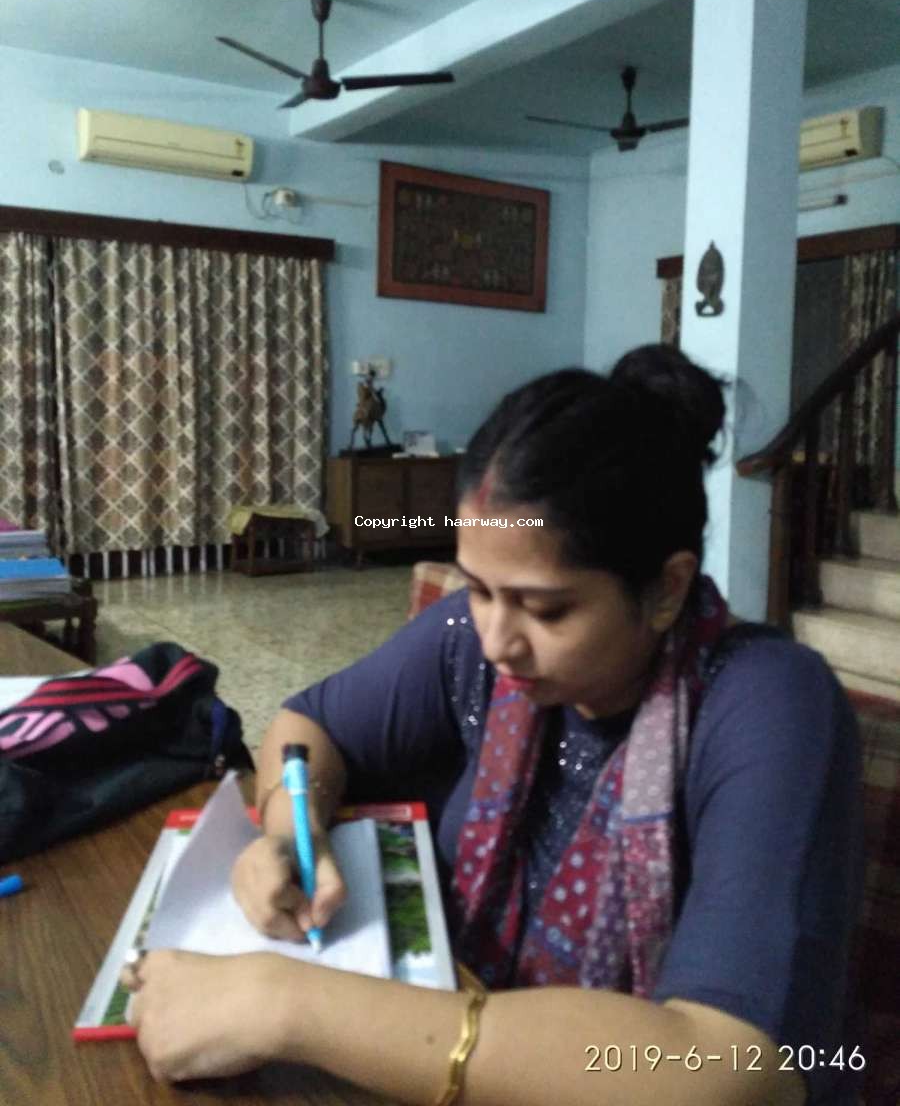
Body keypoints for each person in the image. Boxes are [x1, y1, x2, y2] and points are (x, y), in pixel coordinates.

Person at [123, 345, 863, 1106]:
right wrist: (290, 828)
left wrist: (287, 1004)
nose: (499, 640)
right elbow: (308, 725)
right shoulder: (468, 644)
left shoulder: (767, 703)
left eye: (546, 609)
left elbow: (733, 1070)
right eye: (479, 589)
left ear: (667, 589)